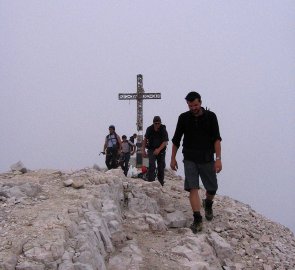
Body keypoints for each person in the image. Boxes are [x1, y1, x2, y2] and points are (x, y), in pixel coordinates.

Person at [170, 91, 222, 233]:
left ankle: (208, 203)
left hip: (207, 159)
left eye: (195, 105)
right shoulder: (183, 118)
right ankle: (197, 219)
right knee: (193, 187)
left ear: (200, 103)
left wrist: (218, 159)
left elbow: (217, 139)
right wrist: (172, 158)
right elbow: (176, 140)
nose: (193, 108)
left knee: (212, 188)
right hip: (190, 158)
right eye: (190, 105)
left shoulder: (211, 117)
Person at [142, 116, 169, 186]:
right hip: (151, 149)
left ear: (160, 123)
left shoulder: (163, 129)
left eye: (158, 123)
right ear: (153, 123)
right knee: (151, 165)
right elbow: (145, 139)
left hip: (161, 150)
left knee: (161, 166)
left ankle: (160, 183)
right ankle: (151, 181)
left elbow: (165, 141)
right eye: (155, 123)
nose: (157, 125)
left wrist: (158, 149)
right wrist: (143, 150)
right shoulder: (149, 129)